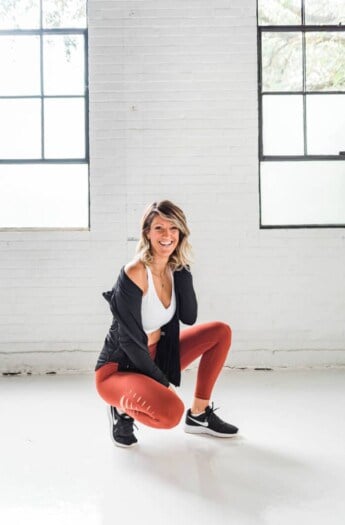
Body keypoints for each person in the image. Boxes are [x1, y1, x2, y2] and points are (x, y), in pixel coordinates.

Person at [95, 200, 238, 447]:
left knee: (220, 332)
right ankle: (121, 410)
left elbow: (189, 317)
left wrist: (183, 268)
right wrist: (163, 383)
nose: (167, 235)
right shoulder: (135, 272)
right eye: (159, 228)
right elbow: (129, 341)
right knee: (171, 413)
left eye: (174, 228)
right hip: (119, 368)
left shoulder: (175, 269)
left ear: (181, 233)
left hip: (157, 355)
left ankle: (199, 415)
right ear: (147, 233)